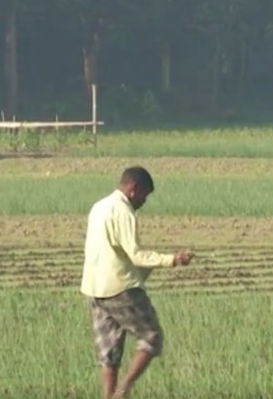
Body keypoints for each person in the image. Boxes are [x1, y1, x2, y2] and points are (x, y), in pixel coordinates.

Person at [80, 166, 194, 399]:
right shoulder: (123, 212)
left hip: (95, 289)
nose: (144, 201)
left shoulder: (99, 207)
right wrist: (173, 259)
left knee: (108, 352)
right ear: (134, 189)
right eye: (145, 195)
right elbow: (136, 255)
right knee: (152, 337)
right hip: (120, 288)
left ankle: (108, 396)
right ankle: (121, 392)